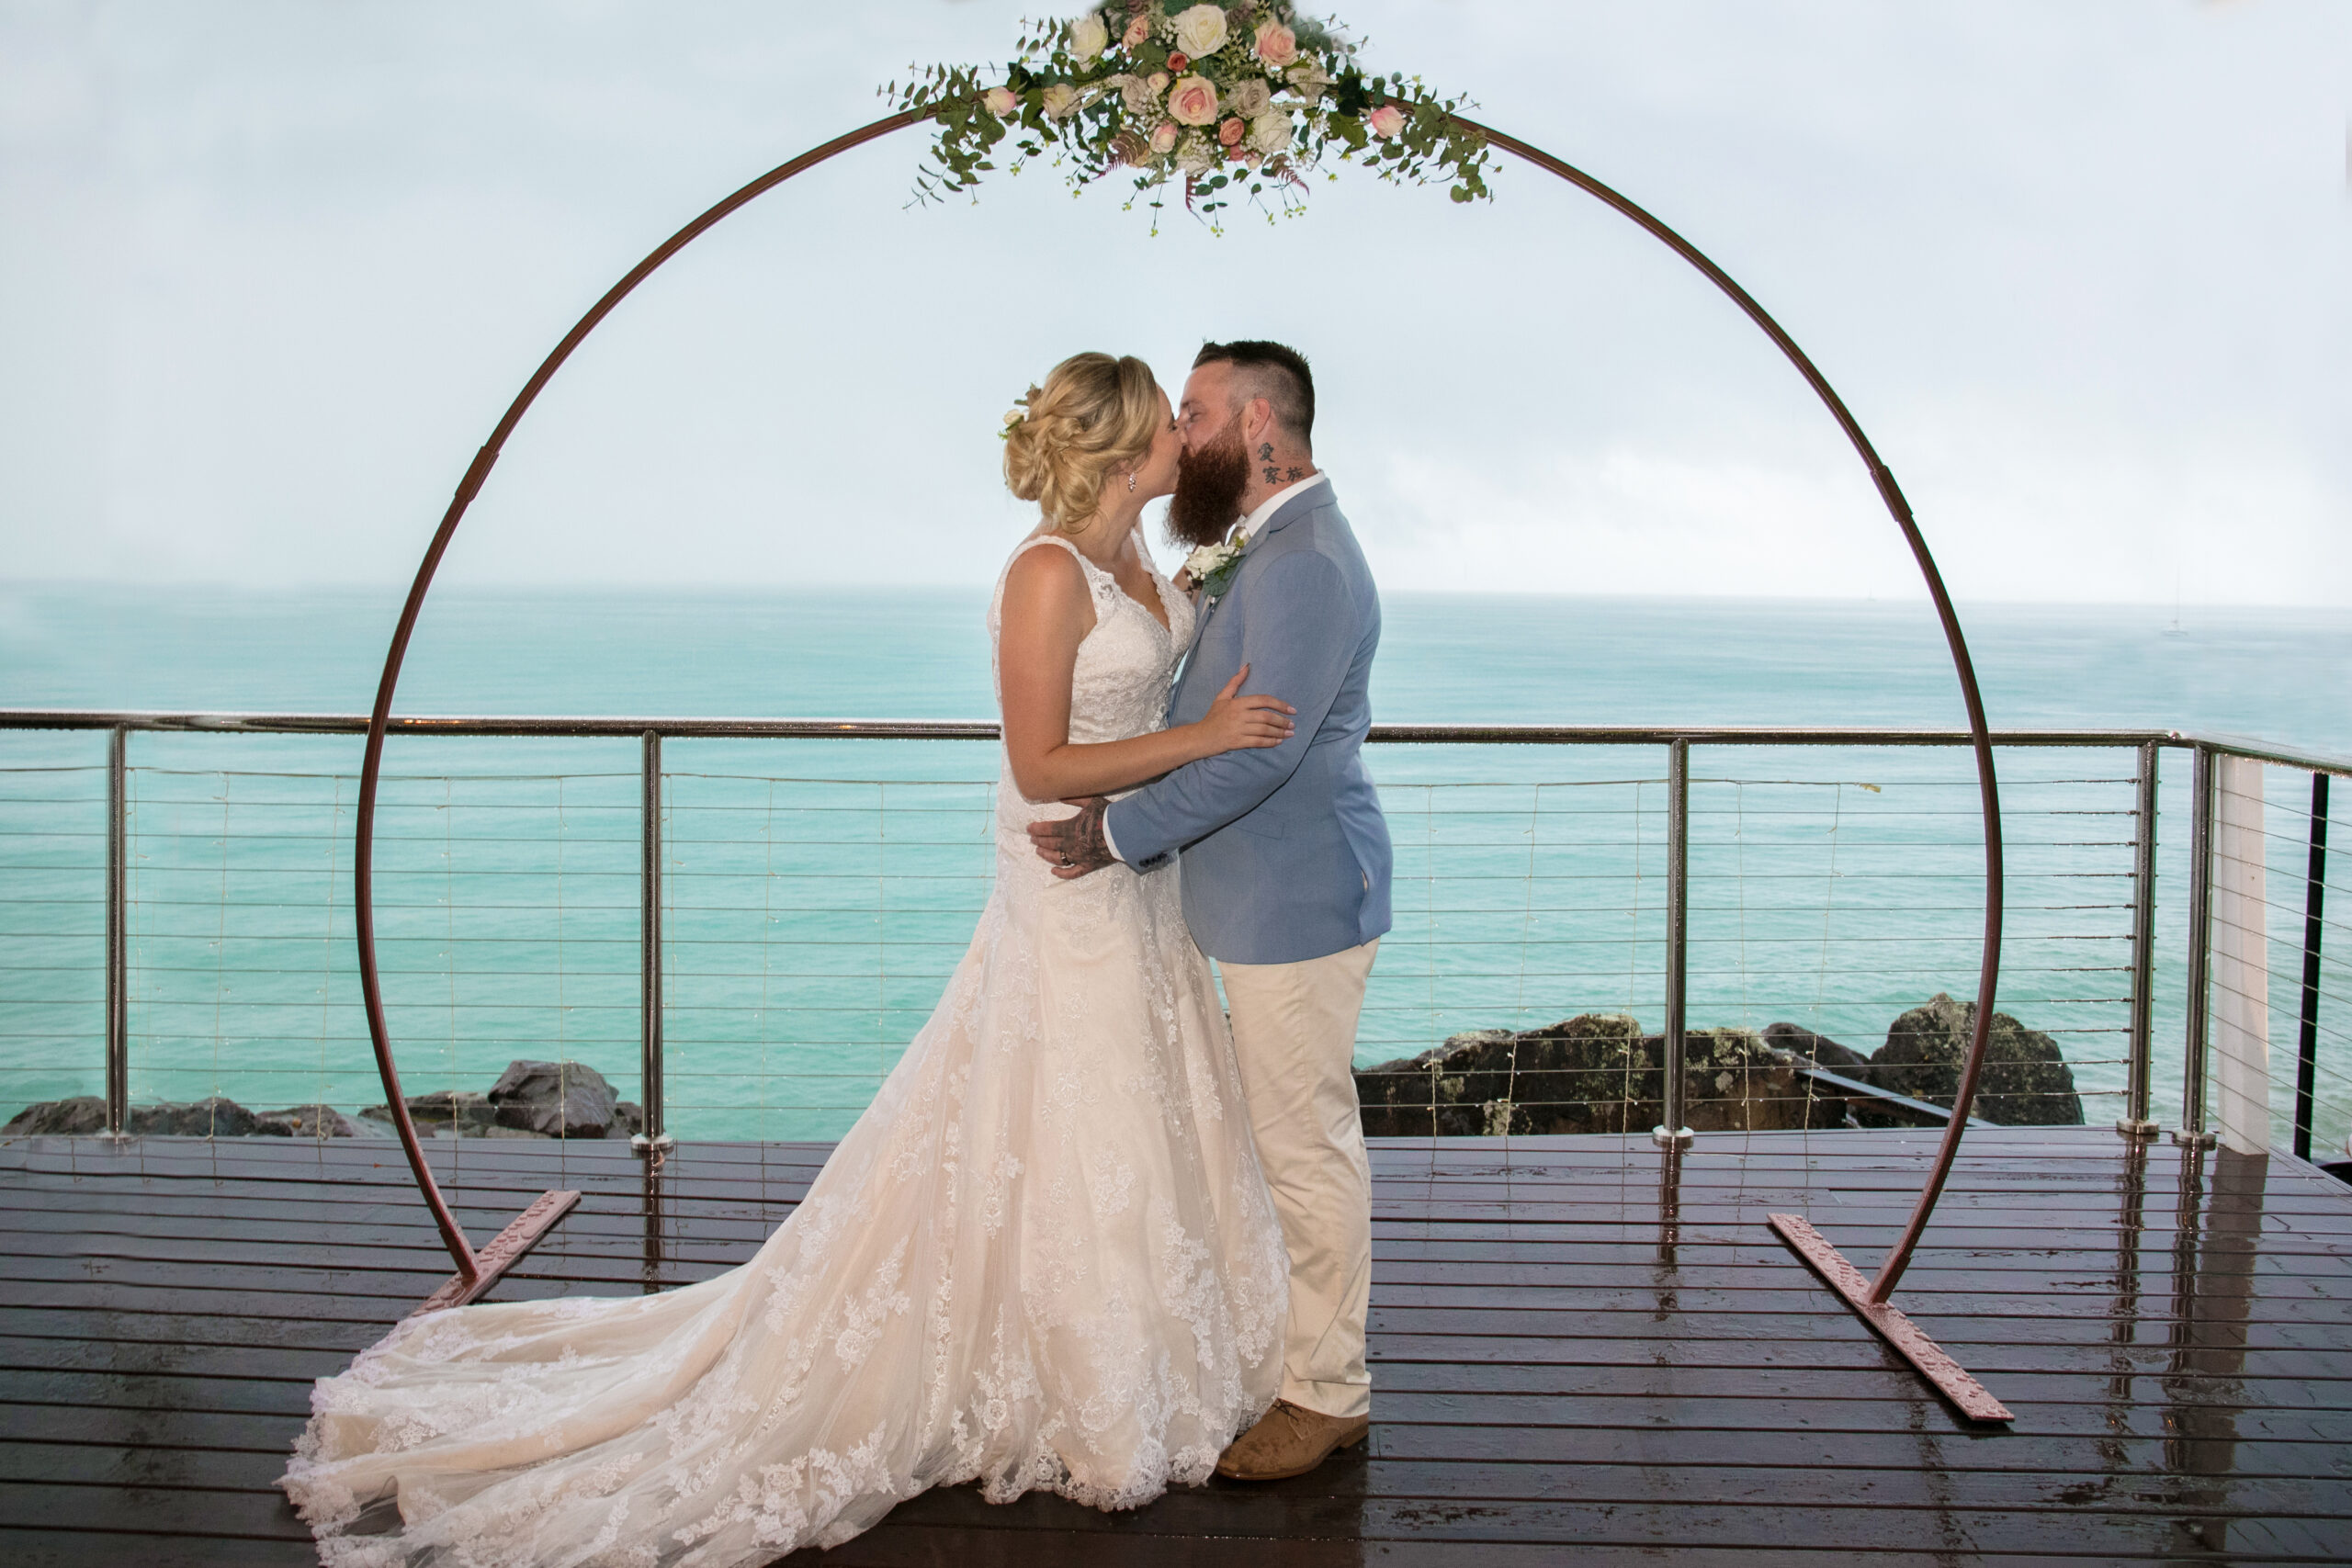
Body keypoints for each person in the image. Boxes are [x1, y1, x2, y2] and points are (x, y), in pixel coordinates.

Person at [280, 353, 1301, 1565]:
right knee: (1080, 1101)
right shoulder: (1043, 574)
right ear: (1126, 447)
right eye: (1169, 427)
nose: (1188, 440)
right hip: (1066, 871)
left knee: (1136, 1104)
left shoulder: (1142, 560)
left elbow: (1162, 650)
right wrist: (1206, 733)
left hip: (1141, 878)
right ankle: (1076, 1367)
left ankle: (1147, 1342)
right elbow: (1040, 764)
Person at [1029, 340, 1392, 1483]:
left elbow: (1261, 755)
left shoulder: (1303, 564)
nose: (1181, 436)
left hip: (1292, 900)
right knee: (1281, 1142)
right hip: (1255, 895)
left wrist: (1118, 834)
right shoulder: (1269, 547)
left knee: (1304, 1150)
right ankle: (1289, 1356)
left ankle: (1327, 1395)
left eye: (1194, 414)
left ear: (1260, 425)